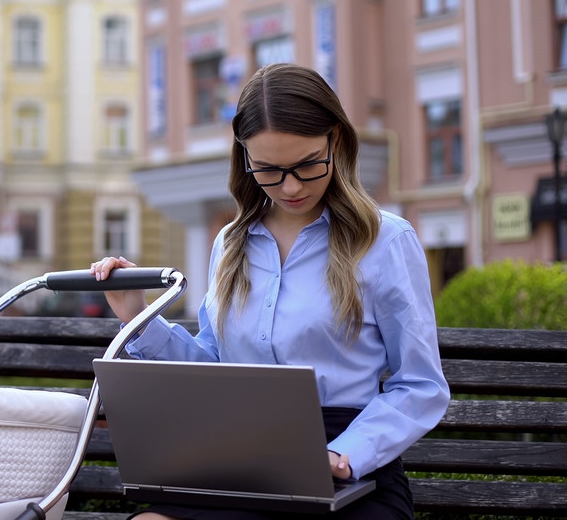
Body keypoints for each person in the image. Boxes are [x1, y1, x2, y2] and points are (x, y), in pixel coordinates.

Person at [89, 63, 450, 520]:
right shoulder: (230, 242)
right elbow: (215, 370)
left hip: (351, 465)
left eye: (306, 164)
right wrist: (138, 317)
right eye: (269, 170)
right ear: (244, 159)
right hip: (243, 463)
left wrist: (344, 455)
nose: (292, 186)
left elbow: (420, 385)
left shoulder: (385, 240)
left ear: (335, 140)